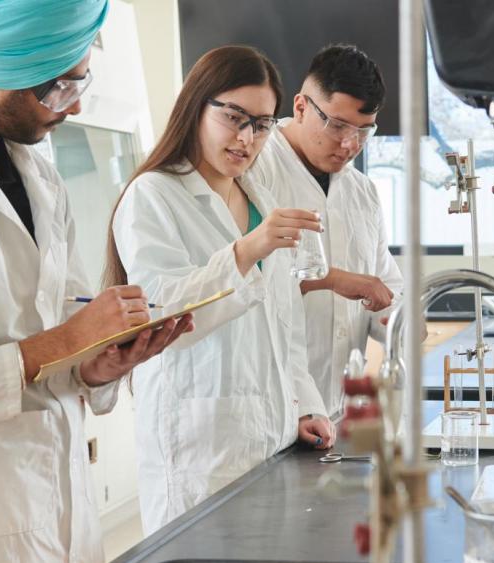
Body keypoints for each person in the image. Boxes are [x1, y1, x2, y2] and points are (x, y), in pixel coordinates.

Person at [0, 1, 192, 563]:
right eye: (61, 87)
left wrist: (95, 363)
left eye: (81, 83)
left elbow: (51, 327)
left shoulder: (36, 173)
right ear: (2, 66)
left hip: (58, 510)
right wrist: (68, 339)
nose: (71, 109)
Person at [106, 45, 335, 535]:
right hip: (199, 449)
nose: (247, 138)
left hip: (270, 438)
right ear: (196, 106)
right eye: (235, 117)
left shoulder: (259, 197)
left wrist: (306, 404)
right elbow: (159, 318)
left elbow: (283, 326)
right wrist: (245, 251)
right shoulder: (152, 196)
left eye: (262, 124)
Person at [245, 44, 403, 416]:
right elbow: (243, 281)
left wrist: (403, 324)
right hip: (273, 405)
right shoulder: (256, 170)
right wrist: (333, 279)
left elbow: (385, 284)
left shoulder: (362, 191)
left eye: (365, 131)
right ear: (300, 107)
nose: (350, 144)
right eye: (338, 126)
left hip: (340, 407)